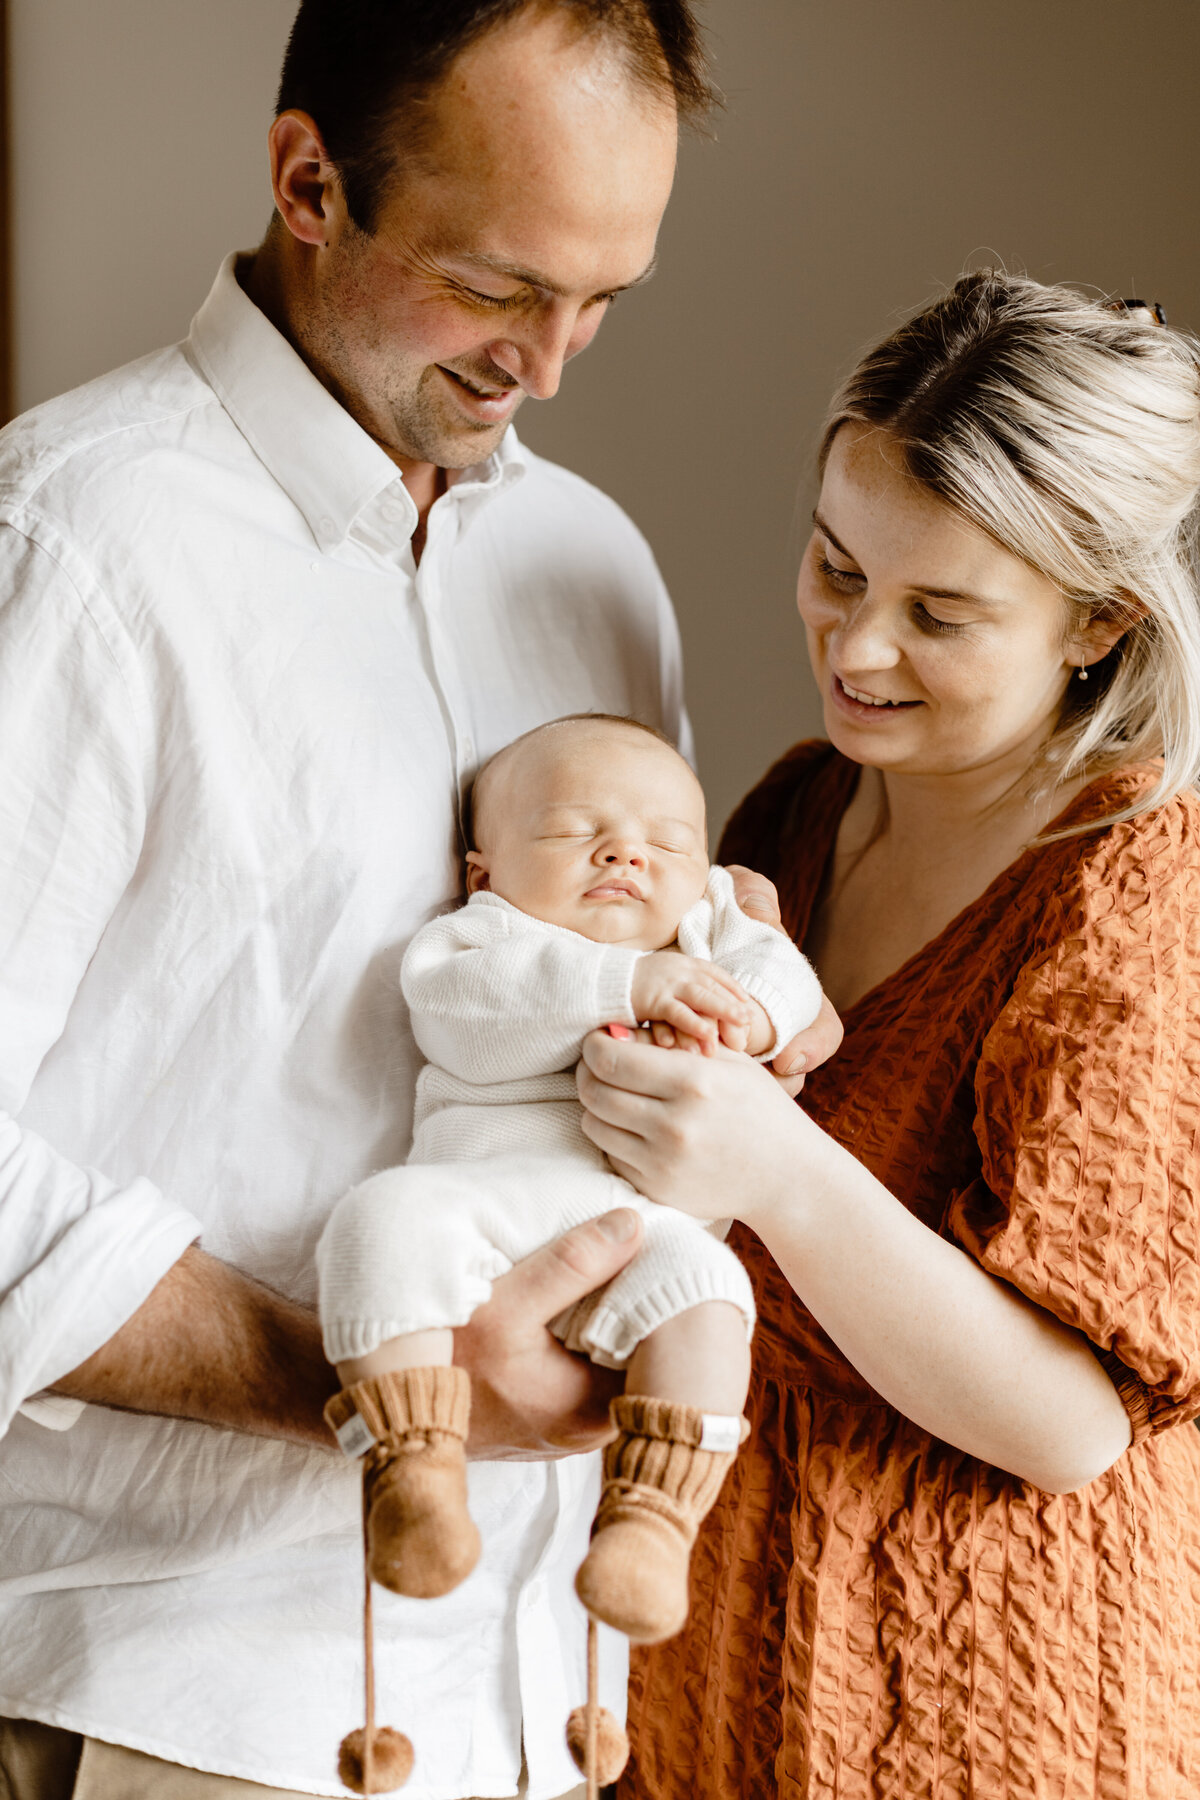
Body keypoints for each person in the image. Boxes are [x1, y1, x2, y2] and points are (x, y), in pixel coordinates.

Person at [0, 5, 837, 1797]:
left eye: (606, 299)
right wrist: (355, 1373)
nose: (552, 364)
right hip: (189, 1696)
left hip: (551, 1705)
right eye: (500, 286)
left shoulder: (589, 564)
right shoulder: (72, 548)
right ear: (310, 180)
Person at [573, 273, 1200, 1796]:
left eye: (942, 615)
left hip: (988, 1704)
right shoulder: (794, 809)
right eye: (837, 567)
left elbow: (1068, 1426)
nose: (858, 647)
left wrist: (776, 1164)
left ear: (1098, 625)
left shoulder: (1142, 897)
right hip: (709, 1684)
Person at [316, 715, 821, 1715]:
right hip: (483, 1205)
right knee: (380, 1224)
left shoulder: (710, 929)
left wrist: (758, 1015)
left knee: (715, 1295)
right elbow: (467, 1013)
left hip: (647, 1230)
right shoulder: (480, 940)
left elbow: (786, 982)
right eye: (572, 834)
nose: (626, 852)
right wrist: (627, 980)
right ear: (484, 869)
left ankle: (653, 1520)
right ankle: (414, 1471)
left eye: (666, 841)